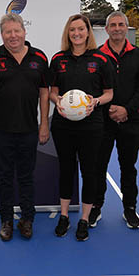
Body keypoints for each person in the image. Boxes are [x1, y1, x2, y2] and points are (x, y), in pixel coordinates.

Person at [0, 13, 50, 241]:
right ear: (2, 34)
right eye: (7, 32)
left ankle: (27, 219)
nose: (13, 36)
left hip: (29, 130)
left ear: (24, 31)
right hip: (1, 130)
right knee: (3, 177)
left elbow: (44, 93)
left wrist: (44, 123)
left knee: (26, 177)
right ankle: (6, 220)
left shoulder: (40, 57)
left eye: (16, 31)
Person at [49, 14, 114, 241]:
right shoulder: (58, 59)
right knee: (66, 170)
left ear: (88, 32)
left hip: (92, 125)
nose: (77, 33)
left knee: (90, 172)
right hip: (63, 125)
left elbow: (109, 94)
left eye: (81, 29)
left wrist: (95, 101)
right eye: (72, 30)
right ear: (68, 33)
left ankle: (84, 219)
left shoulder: (101, 59)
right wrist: (56, 101)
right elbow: (52, 91)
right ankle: (64, 216)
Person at [94, 11, 139, 229]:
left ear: (126, 28)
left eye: (121, 24)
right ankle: (96, 207)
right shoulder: (98, 55)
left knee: (128, 167)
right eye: (113, 25)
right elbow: (95, 87)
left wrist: (127, 109)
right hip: (104, 122)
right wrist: (109, 109)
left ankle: (130, 209)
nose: (117, 28)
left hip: (132, 121)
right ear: (106, 29)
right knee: (99, 167)